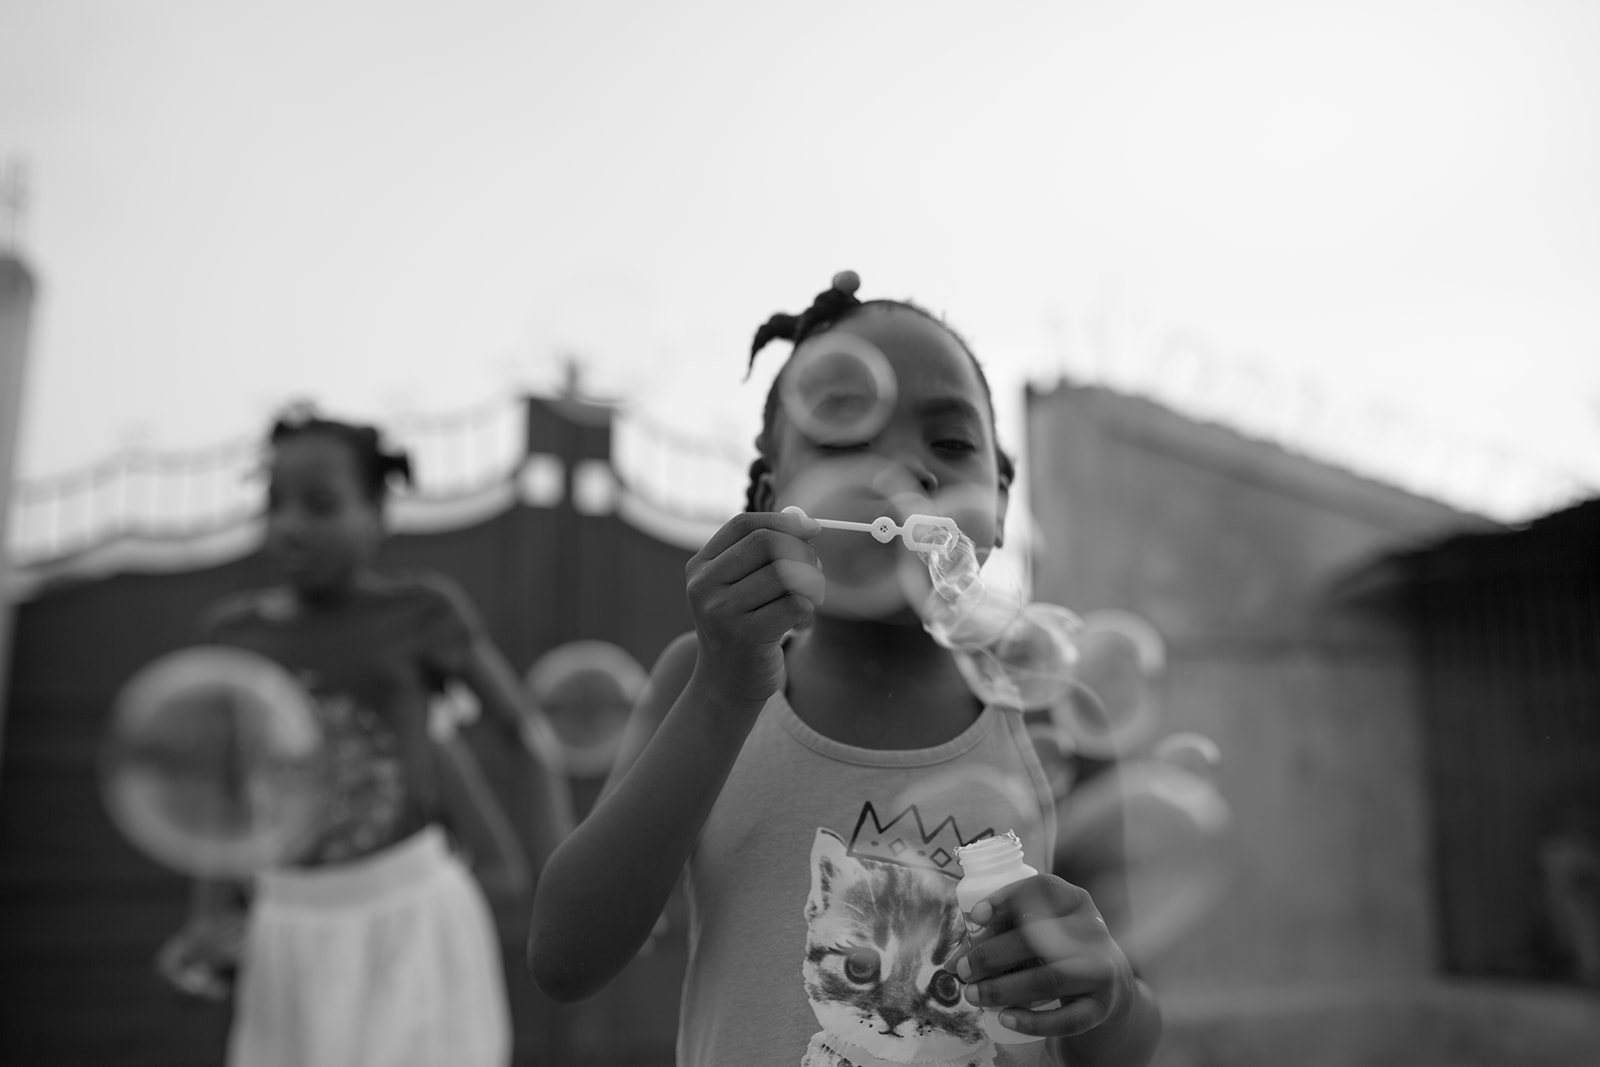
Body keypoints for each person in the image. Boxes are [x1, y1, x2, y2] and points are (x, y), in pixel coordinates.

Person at [529, 272, 1162, 1066]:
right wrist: (724, 690)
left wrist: (1109, 990)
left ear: (998, 502)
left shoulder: (1053, 715)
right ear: (772, 495)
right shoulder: (708, 680)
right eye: (847, 440)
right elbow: (565, 956)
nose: (905, 471)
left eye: (950, 443)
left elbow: (1128, 1036)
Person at [157, 407, 574, 1067]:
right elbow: (226, 790)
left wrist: (569, 880)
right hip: (283, 925)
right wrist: (212, 916)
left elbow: (521, 730)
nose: (289, 524)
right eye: (275, 502)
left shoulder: (421, 613)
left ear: (379, 511)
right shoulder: (233, 637)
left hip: (412, 917)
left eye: (319, 504)